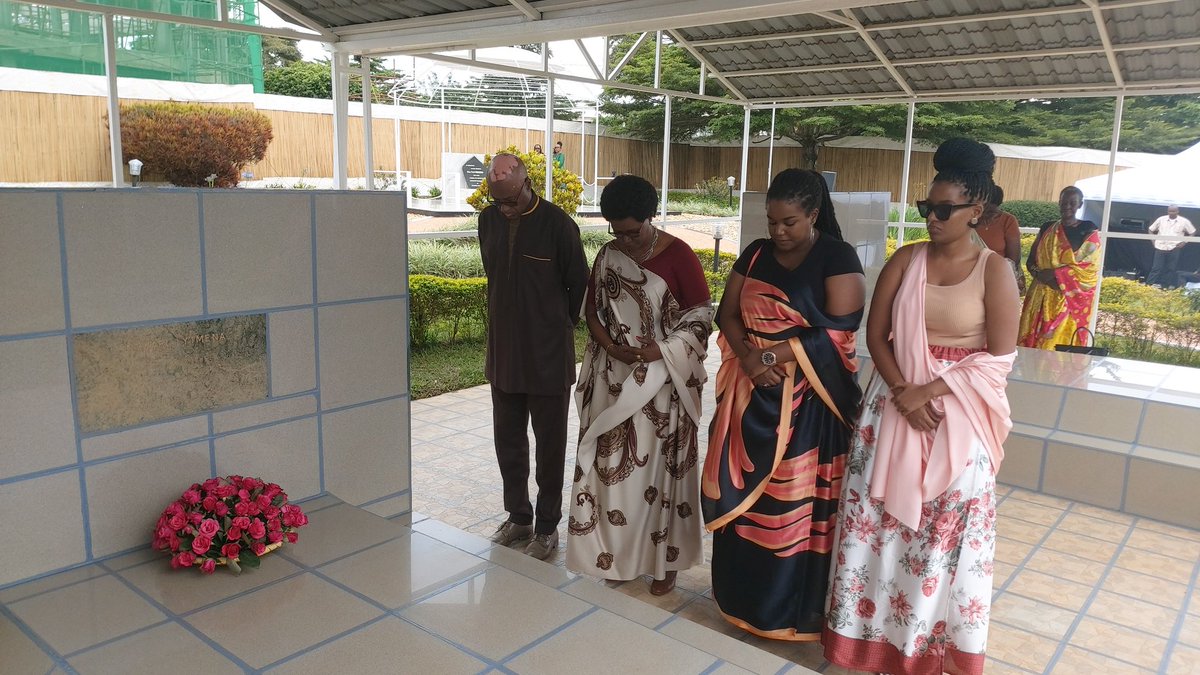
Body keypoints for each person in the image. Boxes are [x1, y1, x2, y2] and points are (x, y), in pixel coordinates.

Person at [823, 138, 1019, 675]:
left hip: (957, 414)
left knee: (940, 538)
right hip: (891, 407)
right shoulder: (906, 259)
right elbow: (877, 334)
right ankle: (865, 643)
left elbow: (1000, 359)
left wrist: (926, 392)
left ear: (976, 210)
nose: (931, 217)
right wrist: (901, 390)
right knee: (876, 529)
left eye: (943, 209)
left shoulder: (994, 271)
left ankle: (921, 651)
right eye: (926, 207)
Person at [702, 168, 866, 640]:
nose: (778, 231)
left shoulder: (837, 256)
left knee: (794, 507)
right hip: (750, 396)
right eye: (772, 221)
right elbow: (727, 314)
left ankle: (789, 615)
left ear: (813, 214)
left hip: (810, 405)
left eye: (789, 222)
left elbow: (840, 332)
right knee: (744, 506)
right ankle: (740, 602)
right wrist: (750, 360)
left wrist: (770, 356)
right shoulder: (756, 253)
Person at [567, 175, 713, 595]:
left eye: (633, 231)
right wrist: (611, 346)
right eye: (617, 231)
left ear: (651, 216)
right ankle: (619, 555)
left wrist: (659, 352)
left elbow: (702, 316)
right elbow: (592, 311)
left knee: (661, 475)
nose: (625, 240)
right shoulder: (608, 254)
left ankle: (666, 563)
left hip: (664, 385)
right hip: (614, 379)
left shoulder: (679, 255)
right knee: (613, 475)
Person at [479, 153, 589, 559]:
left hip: (547, 357)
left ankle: (546, 527)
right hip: (504, 354)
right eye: (498, 202)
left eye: (510, 200)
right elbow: (494, 275)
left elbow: (579, 286)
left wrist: (552, 325)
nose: (505, 209)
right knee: (508, 443)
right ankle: (518, 517)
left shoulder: (559, 225)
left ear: (527, 185)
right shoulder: (488, 221)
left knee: (549, 448)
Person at [1017, 186, 1101, 350]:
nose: (1067, 206)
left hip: (1069, 299)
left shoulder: (1088, 229)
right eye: (1064, 202)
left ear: (1080, 204)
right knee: (1033, 348)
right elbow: (1031, 261)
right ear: (1059, 203)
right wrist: (1041, 276)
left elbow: (1089, 269)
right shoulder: (1047, 228)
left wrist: (1056, 274)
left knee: (1059, 349)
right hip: (1040, 297)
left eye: (1072, 203)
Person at [974, 184, 1025, 294]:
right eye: (985, 207)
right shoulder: (971, 220)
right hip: (970, 274)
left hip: (997, 276)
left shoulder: (1008, 220)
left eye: (993, 208)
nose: (988, 212)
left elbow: (1013, 258)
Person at [1147, 205, 1195, 288]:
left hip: (1174, 247)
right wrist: (1153, 241)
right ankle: (1148, 285)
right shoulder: (1161, 219)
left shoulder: (1184, 221)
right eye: (1170, 211)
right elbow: (1150, 229)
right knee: (1156, 268)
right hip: (1160, 246)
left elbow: (1192, 232)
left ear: (1177, 211)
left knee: (1170, 269)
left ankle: (1165, 287)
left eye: (1173, 211)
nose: (1171, 213)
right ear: (1167, 211)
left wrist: (1184, 242)